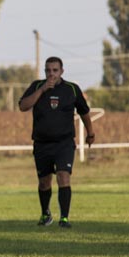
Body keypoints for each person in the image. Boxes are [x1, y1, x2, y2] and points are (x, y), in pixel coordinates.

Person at [19, 57, 95, 228]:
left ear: (62, 71)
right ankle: (46, 214)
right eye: (48, 70)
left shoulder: (71, 89)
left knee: (63, 176)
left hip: (64, 143)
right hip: (42, 143)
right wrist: (42, 90)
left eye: (55, 70)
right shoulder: (37, 86)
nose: (51, 74)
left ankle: (64, 218)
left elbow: (84, 112)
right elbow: (23, 106)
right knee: (44, 182)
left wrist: (90, 133)